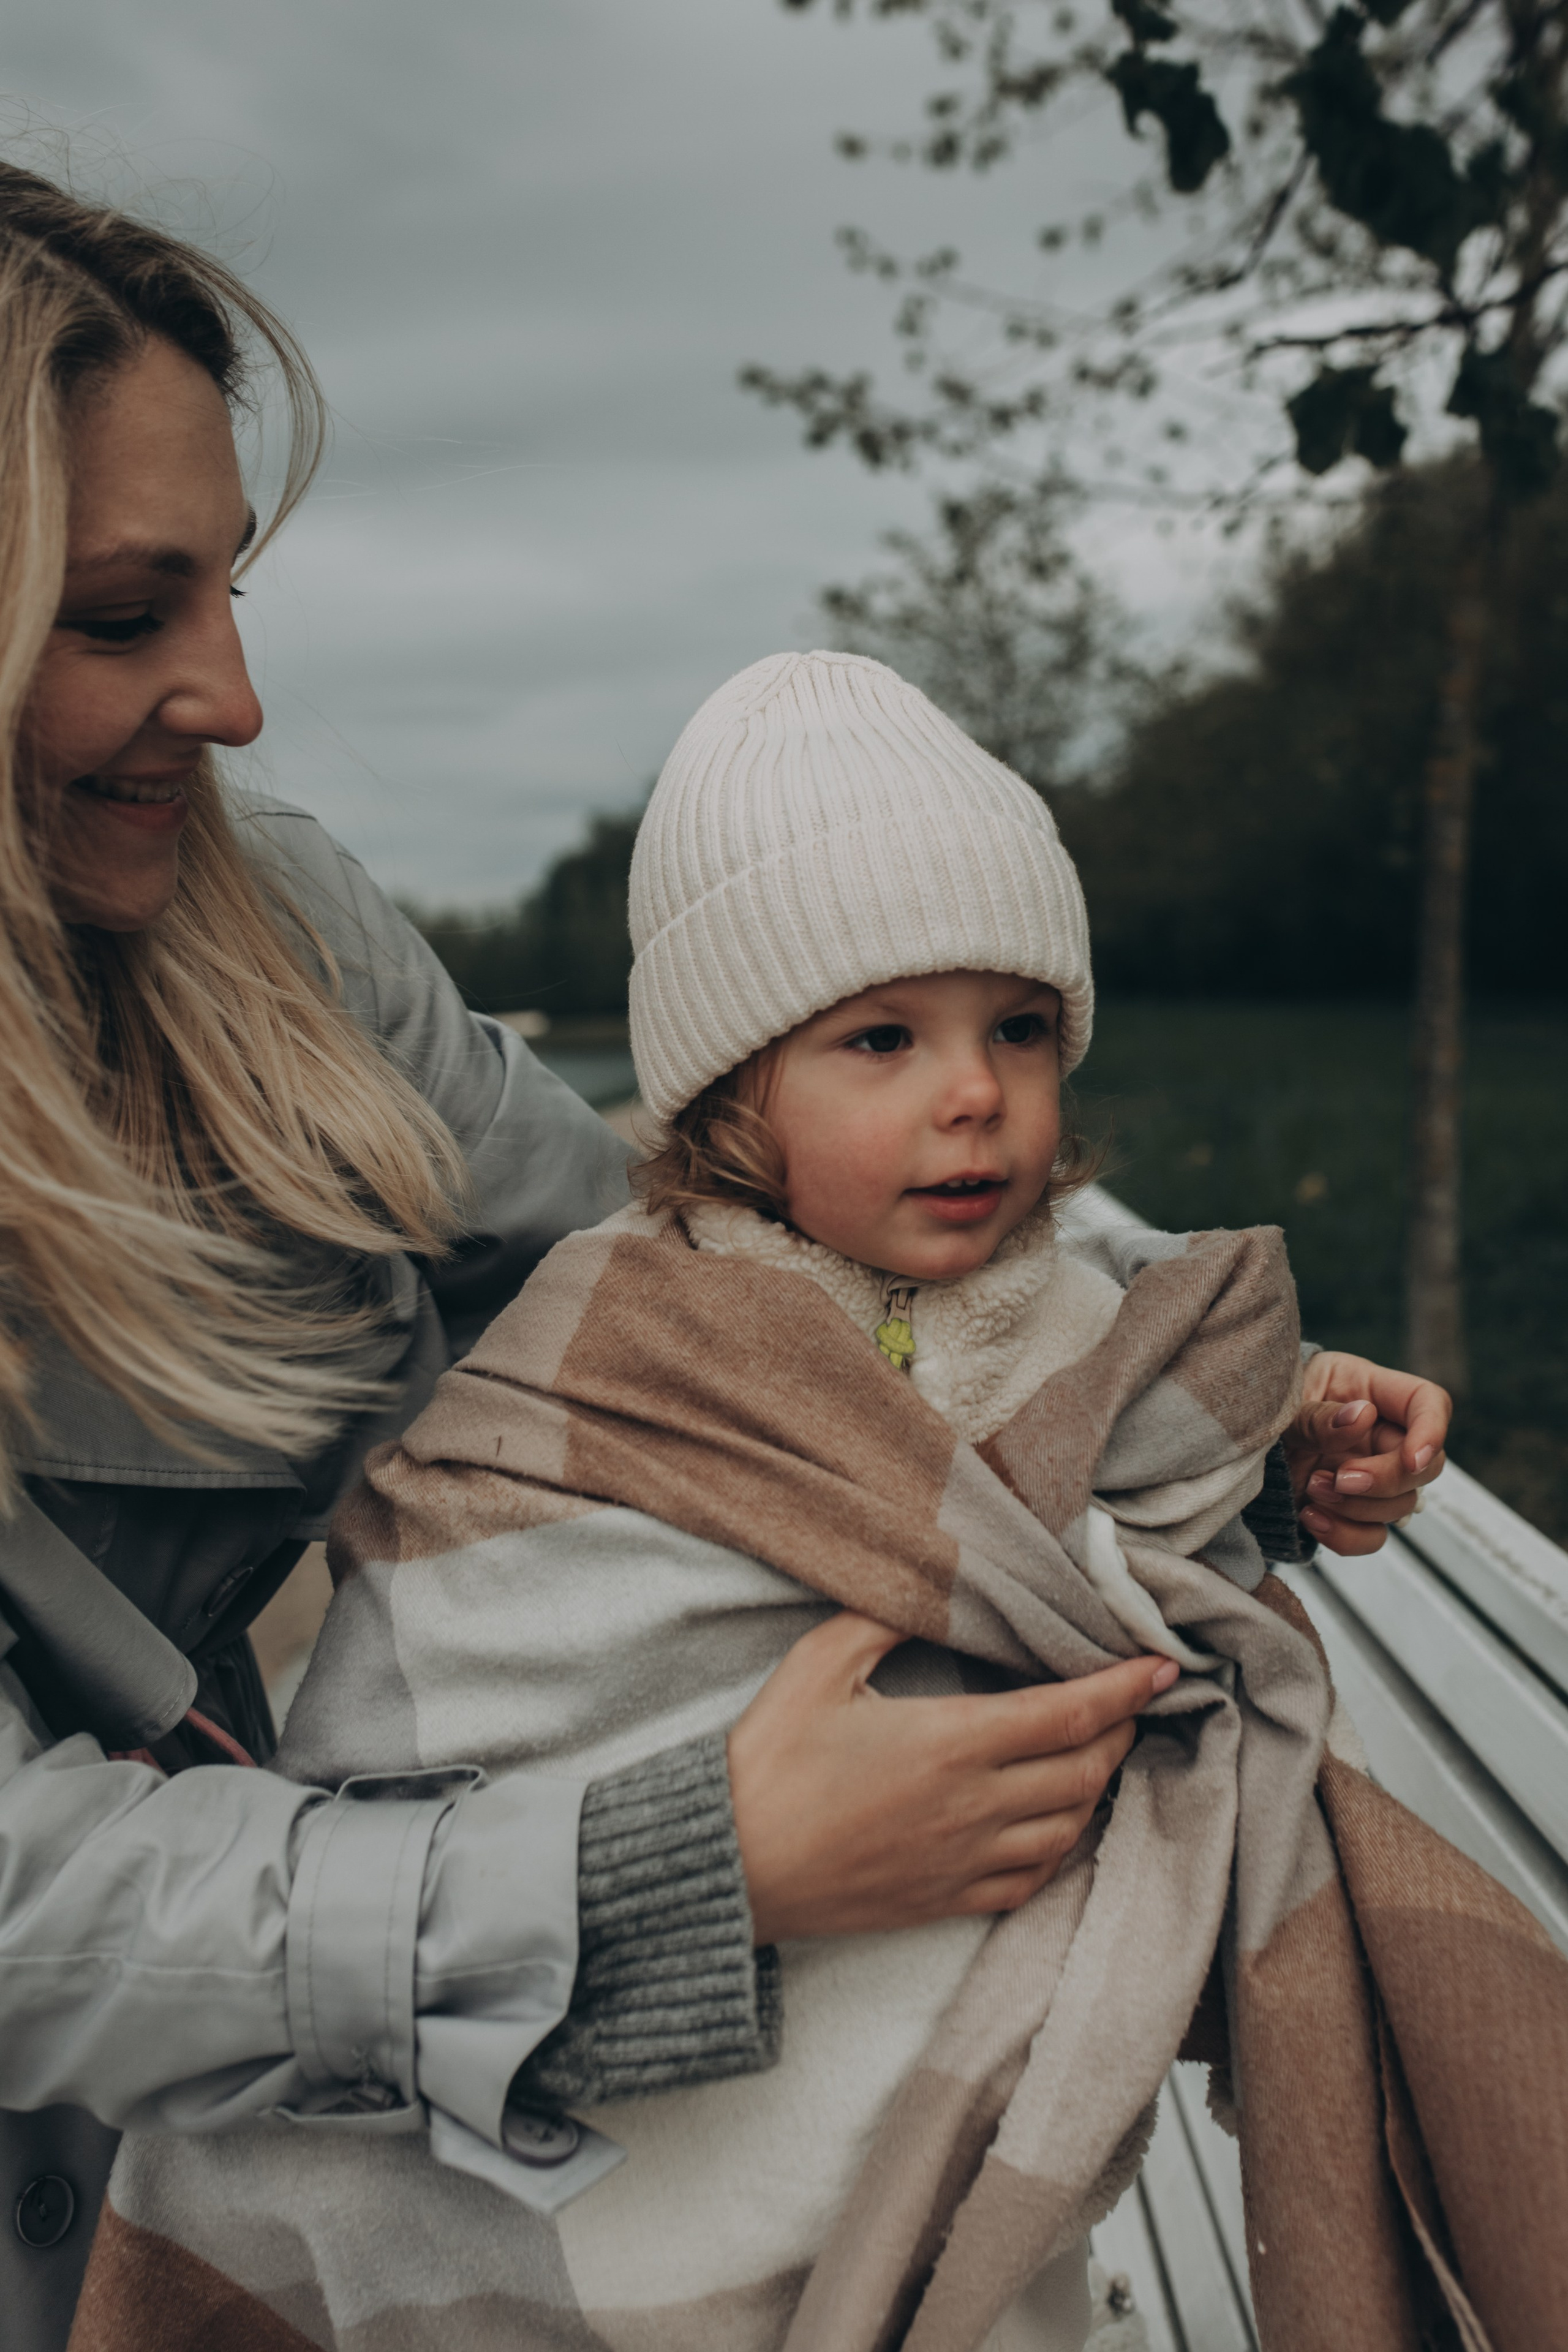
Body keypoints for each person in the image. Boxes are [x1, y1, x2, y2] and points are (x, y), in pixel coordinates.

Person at [0, 163, 1446, 2352]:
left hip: (352, 2012)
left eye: (232, 589)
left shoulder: (250, 916)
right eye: (125, 613)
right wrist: (658, 1874)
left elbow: (698, 1325)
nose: (234, 696)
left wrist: (1167, 1432)